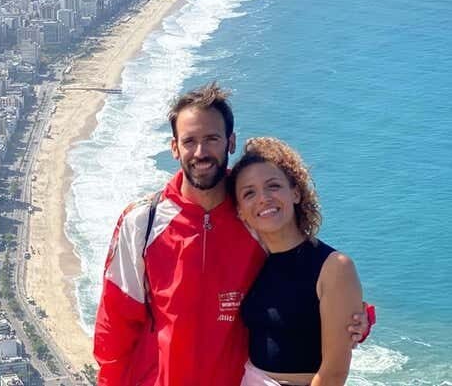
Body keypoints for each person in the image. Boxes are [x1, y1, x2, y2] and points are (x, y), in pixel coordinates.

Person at [93, 82, 370, 385]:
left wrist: (353, 318)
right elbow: (115, 325)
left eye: (212, 138)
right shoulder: (142, 223)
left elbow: (303, 276)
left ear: (230, 142)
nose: (201, 152)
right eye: (189, 141)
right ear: (174, 148)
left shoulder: (253, 216)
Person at [230, 137, 363, 386]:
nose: (263, 198)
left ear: (296, 192)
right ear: (240, 211)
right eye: (249, 193)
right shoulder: (252, 263)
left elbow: (334, 373)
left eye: (273, 186)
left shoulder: (335, 267)